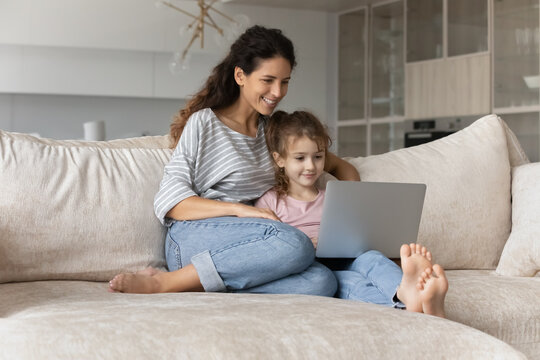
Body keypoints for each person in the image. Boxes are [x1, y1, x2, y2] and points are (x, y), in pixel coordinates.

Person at [109, 25, 360, 295]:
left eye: (285, 81)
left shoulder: (276, 132)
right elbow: (172, 202)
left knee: (322, 282)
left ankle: (213, 281)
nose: (277, 92)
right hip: (193, 237)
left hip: (253, 246)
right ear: (241, 75)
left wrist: (344, 216)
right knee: (296, 243)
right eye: (268, 80)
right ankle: (165, 282)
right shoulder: (205, 123)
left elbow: (340, 167)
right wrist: (241, 210)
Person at [255, 110, 448, 317]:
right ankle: (413, 306)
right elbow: (264, 247)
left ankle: (407, 290)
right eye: (300, 158)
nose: (310, 166)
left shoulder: (334, 196)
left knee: (372, 258)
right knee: (351, 284)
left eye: (318, 157)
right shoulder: (270, 201)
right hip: (313, 268)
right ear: (279, 160)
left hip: (345, 257)